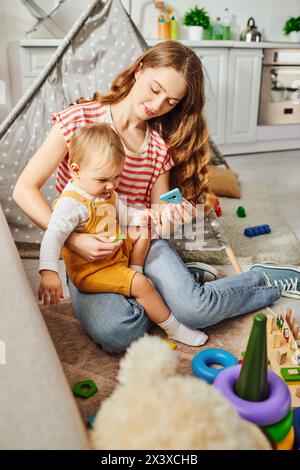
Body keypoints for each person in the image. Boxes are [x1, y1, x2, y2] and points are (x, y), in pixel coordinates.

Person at [13, 40, 296, 354]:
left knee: (195, 312)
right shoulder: (78, 121)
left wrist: (178, 213)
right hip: (90, 254)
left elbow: (159, 213)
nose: (157, 104)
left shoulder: (158, 148)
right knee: (116, 332)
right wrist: (73, 240)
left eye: (171, 101)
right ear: (139, 70)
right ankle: (179, 286)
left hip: (140, 243)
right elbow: (24, 189)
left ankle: (261, 281)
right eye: (155, 88)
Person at [38, 123, 208, 347]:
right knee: (142, 285)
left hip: (116, 250)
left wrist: (143, 216)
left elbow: (124, 212)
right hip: (94, 269)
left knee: (143, 231)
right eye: (102, 180)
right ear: (76, 170)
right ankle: (174, 328)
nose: (111, 186)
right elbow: (53, 236)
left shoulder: (106, 191)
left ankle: (134, 269)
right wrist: (48, 271)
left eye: (116, 177)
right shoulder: (71, 204)